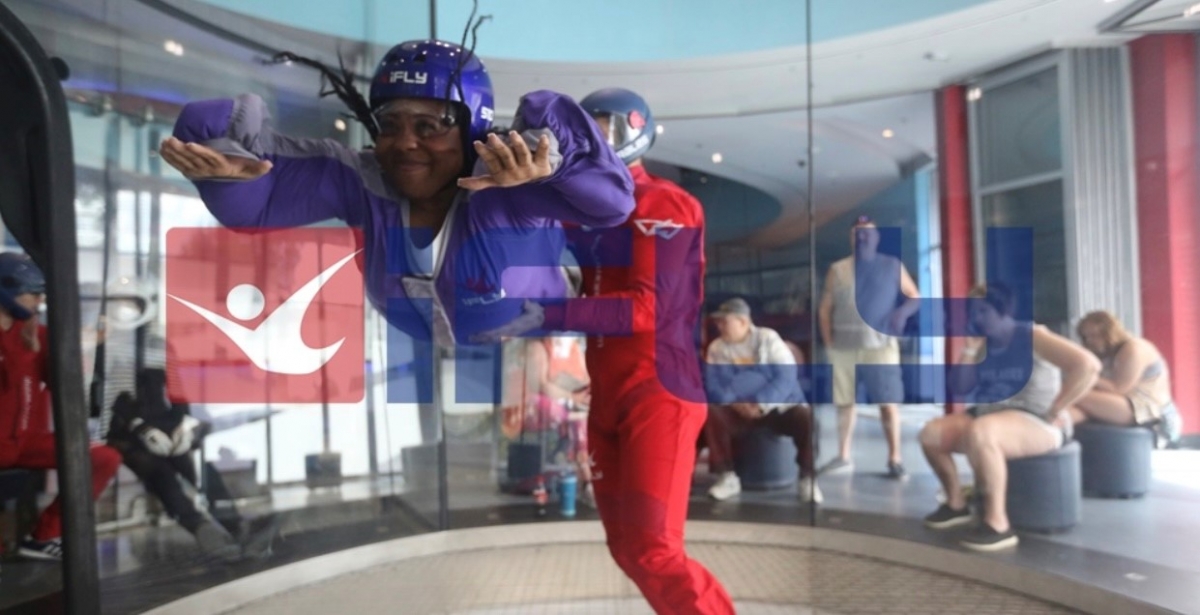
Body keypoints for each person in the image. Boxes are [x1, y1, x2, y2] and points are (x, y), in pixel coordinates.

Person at [159, 39, 634, 346]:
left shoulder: (507, 187)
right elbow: (260, 200)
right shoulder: (362, 181)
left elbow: (612, 205)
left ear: (472, 130)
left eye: (429, 125)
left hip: (532, 322)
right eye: (390, 125)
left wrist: (552, 165)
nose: (406, 142)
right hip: (435, 330)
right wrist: (232, 169)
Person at [476, 87, 735, 615]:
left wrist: (545, 315)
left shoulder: (668, 204)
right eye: (584, 132)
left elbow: (647, 309)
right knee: (628, 549)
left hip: (659, 392)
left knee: (654, 549)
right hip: (611, 394)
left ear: (635, 131)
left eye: (603, 130)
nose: (594, 143)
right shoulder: (579, 210)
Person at [919, 283, 1099, 551]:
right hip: (988, 414)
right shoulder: (982, 343)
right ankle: (956, 504)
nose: (975, 319)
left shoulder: (1032, 335)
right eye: (972, 313)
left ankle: (998, 523)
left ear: (1004, 311)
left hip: (1036, 418)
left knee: (982, 432)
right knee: (931, 434)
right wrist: (969, 350)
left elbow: (1088, 366)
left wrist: (1057, 408)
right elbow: (960, 387)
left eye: (982, 312)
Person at [0, 252, 122, 561]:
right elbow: (10, 376)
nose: (39, 301)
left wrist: (87, 346)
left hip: (25, 441)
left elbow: (63, 380)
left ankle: (44, 536)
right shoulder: (30, 336)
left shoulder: (34, 331)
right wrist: (31, 350)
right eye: (34, 293)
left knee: (103, 458)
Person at [817, 215, 919, 479]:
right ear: (851, 239)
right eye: (857, 233)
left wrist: (900, 315)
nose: (862, 237)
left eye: (868, 233)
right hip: (844, 347)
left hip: (880, 347)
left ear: (876, 238)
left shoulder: (891, 265)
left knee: (888, 403)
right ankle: (843, 456)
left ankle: (895, 458)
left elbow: (914, 297)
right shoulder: (838, 269)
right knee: (845, 403)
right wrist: (829, 343)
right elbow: (825, 309)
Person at [704, 298, 821, 503]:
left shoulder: (768, 338)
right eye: (718, 322)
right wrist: (738, 404)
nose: (720, 326)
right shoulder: (717, 348)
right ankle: (727, 476)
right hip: (737, 409)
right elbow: (714, 385)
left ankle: (808, 477)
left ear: (742, 321)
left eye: (725, 321)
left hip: (776, 408)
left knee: (807, 418)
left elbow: (786, 376)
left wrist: (760, 403)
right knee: (711, 413)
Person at [1072, 310, 1182, 447]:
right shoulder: (1105, 353)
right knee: (1073, 409)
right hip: (1129, 406)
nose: (1090, 341)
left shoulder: (1133, 349)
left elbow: (1119, 389)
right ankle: (1056, 428)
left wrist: (1083, 377)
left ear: (1109, 333)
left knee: (1076, 394)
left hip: (1149, 412)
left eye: (1094, 336)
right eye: (1085, 337)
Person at [520, 336, 595, 505]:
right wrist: (570, 397)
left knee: (583, 419)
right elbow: (540, 385)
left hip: (572, 407)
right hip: (542, 407)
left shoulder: (576, 348)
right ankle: (586, 477)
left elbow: (586, 379)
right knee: (574, 418)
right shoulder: (538, 347)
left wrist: (581, 395)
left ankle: (586, 477)